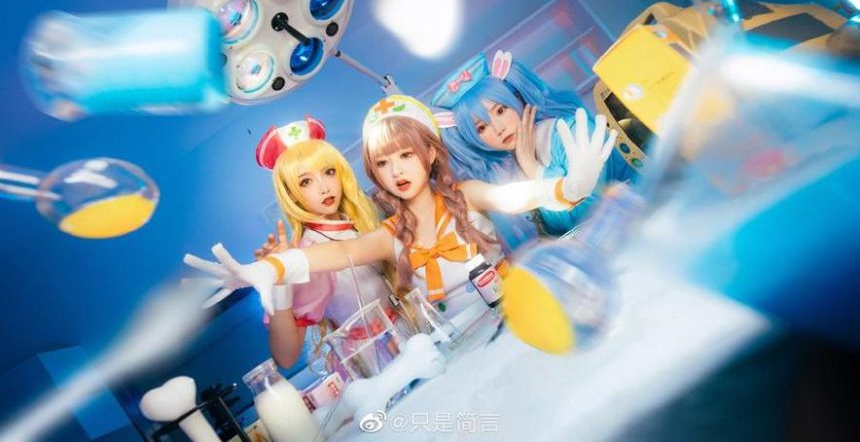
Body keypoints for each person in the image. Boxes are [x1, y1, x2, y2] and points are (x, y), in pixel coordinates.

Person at [184, 95, 616, 330]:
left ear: (430, 153)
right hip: (462, 346)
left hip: (521, 314)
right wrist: (269, 269)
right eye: (383, 163)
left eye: (405, 155)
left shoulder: (465, 196)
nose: (397, 171)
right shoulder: (389, 235)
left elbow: (515, 197)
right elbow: (335, 254)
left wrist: (564, 189)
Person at [432, 50, 636, 237]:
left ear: (518, 99)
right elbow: (556, 234)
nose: (499, 128)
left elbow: (585, 214)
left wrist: (532, 166)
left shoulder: (572, 130)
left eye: (501, 110)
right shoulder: (511, 174)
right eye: (481, 128)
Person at [251, 119, 396, 369]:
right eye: (305, 181)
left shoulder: (363, 219)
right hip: (374, 358)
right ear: (291, 194)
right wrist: (279, 284)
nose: (324, 187)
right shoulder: (308, 254)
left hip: (406, 331)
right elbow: (286, 357)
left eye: (328, 172)